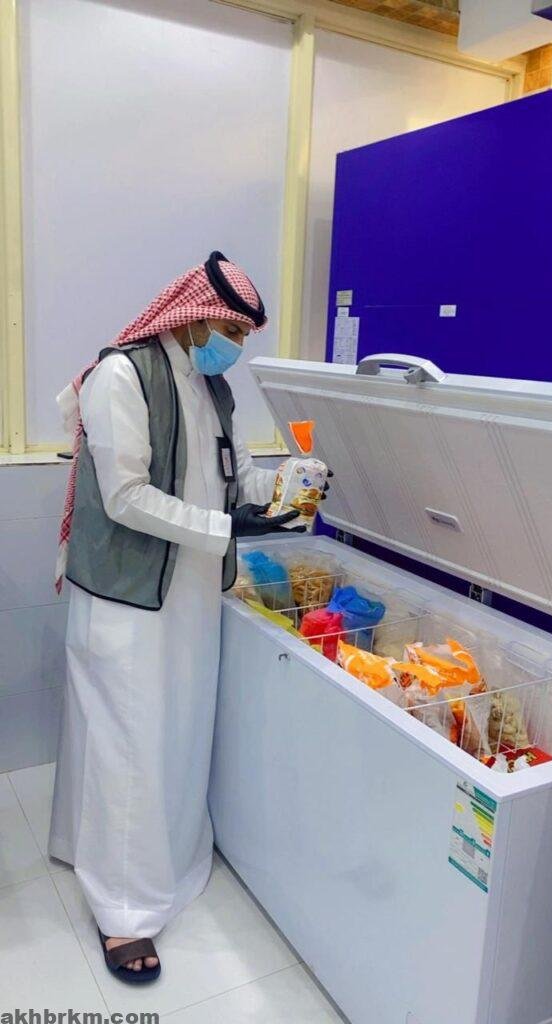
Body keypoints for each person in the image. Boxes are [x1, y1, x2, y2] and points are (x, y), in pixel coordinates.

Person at [48, 252, 322, 984]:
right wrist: (228, 528)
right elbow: (125, 497)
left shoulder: (210, 386)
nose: (235, 344)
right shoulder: (123, 375)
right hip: (129, 602)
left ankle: (152, 858)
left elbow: (227, 477)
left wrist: (282, 490)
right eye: (231, 329)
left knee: (170, 734)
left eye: (244, 334)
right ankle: (124, 912)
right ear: (194, 315)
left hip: (192, 597)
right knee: (128, 744)